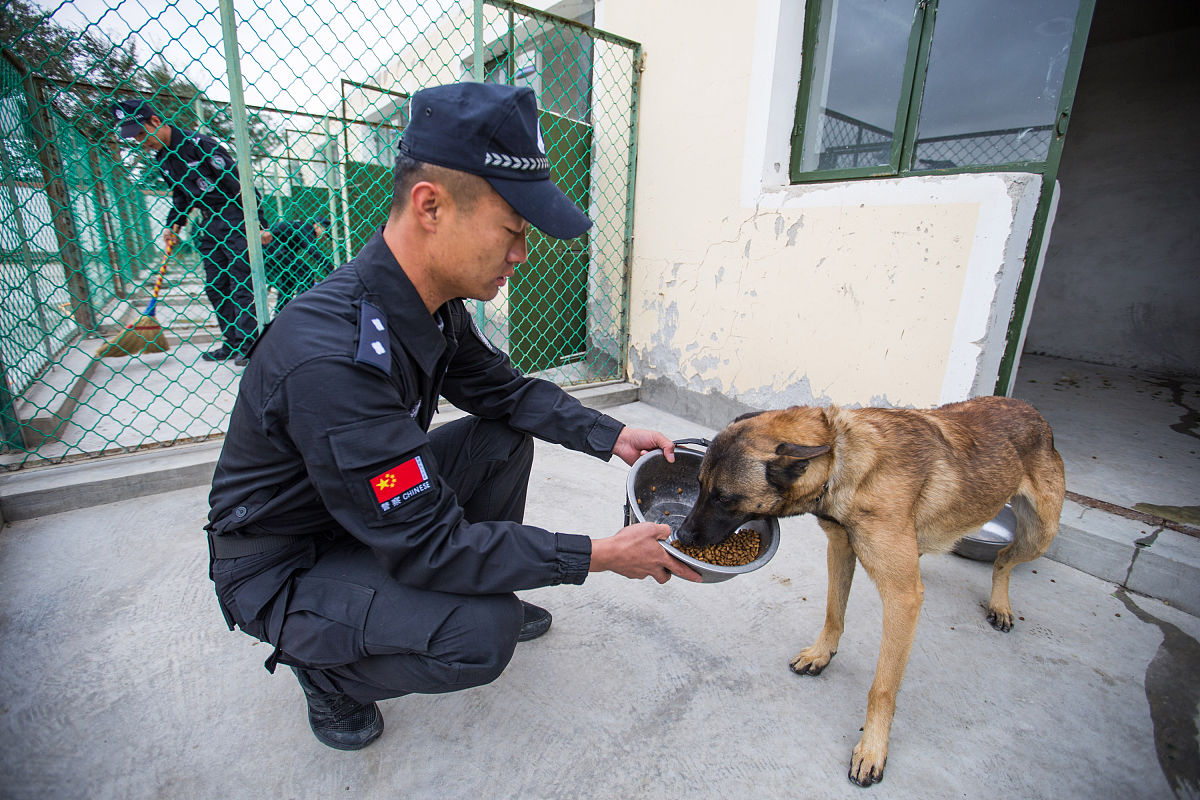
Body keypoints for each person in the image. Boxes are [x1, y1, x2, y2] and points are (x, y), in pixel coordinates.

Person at [205, 81, 701, 751]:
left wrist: (610, 433)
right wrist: (599, 556)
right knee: (480, 635)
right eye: (512, 232)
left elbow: (506, 393)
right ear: (430, 206)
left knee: (502, 439)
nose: (521, 255)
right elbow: (426, 543)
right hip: (290, 558)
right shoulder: (332, 359)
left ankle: (467, 586)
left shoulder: (427, 303)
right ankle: (325, 674)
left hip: (363, 513)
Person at [113, 99, 272, 366]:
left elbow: (241, 185)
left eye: (141, 133)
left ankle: (249, 344)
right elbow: (181, 196)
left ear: (155, 121)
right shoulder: (163, 157)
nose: (141, 141)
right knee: (215, 285)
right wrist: (173, 223)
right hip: (208, 222)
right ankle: (232, 342)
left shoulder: (201, 145)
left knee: (241, 282)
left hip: (234, 217)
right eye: (134, 137)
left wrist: (260, 223)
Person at [264, 217, 330, 313]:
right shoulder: (306, 228)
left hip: (269, 248)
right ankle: (303, 310)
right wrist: (331, 270)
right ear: (317, 225)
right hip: (270, 245)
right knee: (305, 272)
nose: (324, 238)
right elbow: (313, 251)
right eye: (325, 233)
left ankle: (280, 312)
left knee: (288, 279)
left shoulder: (299, 228)